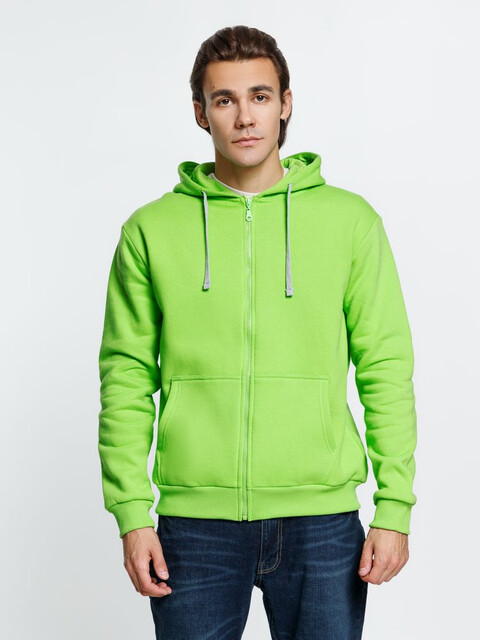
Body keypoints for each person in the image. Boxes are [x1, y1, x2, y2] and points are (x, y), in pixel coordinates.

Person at [97, 24, 418, 640]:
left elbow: (385, 366)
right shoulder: (150, 231)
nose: (245, 116)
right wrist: (133, 514)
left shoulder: (350, 222)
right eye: (225, 99)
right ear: (201, 112)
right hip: (196, 525)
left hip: (322, 520)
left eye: (260, 96)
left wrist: (395, 507)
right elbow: (126, 377)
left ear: (285, 103)